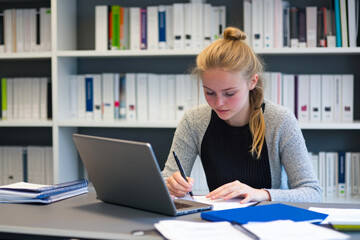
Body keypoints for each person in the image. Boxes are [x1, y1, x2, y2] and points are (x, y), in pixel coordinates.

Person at [161, 26, 322, 204]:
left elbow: (312, 192)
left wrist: (261, 194)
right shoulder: (194, 121)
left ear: (252, 81)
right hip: (218, 223)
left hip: (270, 223)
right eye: (209, 92)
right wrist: (171, 185)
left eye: (229, 93)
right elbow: (164, 180)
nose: (218, 103)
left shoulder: (280, 120)